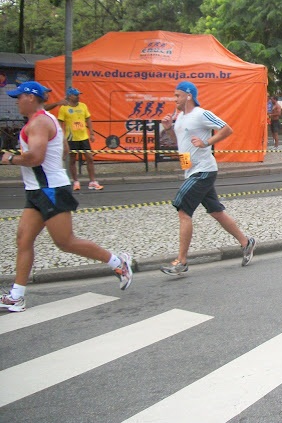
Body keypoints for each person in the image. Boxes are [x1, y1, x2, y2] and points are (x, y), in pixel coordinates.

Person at [0, 82, 132, 312]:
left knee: (65, 242)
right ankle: (17, 296)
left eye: (18, 97)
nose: (16, 101)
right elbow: (64, 151)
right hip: (38, 190)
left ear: (30, 98)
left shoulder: (40, 122)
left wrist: (8, 159)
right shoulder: (44, 121)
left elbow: (36, 158)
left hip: (50, 190)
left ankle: (118, 263)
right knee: (23, 239)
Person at [159, 81, 256, 273]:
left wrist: (207, 142)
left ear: (188, 95)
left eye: (177, 95)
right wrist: (169, 128)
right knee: (216, 212)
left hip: (203, 171)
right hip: (191, 169)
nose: (174, 99)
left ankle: (182, 262)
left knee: (183, 210)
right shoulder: (179, 117)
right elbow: (178, 142)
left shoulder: (201, 114)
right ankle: (246, 243)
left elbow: (227, 128)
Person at [57, 87, 104, 191]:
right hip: (71, 138)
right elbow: (60, 122)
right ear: (70, 96)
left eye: (79, 95)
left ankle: (92, 181)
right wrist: (62, 136)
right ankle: (76, 181)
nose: (78, 97)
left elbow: (88, 119)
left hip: (83, 137)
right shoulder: (64, 108)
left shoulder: (83, 106)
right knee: (73, 160)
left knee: (90, 158)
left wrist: (91, 133)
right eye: (76, 95)